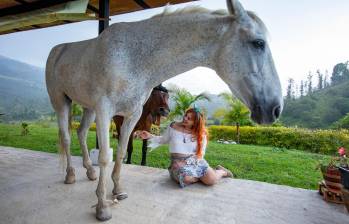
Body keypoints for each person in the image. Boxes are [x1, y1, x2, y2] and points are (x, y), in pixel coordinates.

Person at [138, 107, 233, 188]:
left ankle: (222, 171)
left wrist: (188, 162)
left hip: (195, 161)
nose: (185, 119)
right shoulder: (173, 126)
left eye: (189, 118)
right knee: (185, 178)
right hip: (177, 163)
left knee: (211, 181)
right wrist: (149, 135)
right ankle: (200, 177)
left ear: (195, 122)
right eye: (185, 116)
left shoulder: (201, 134)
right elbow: (163, 139)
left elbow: (201, 154)